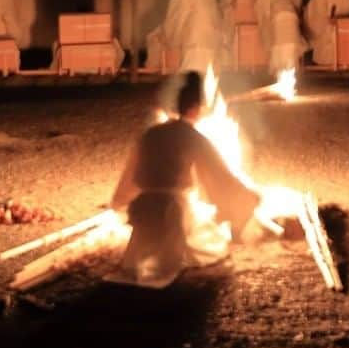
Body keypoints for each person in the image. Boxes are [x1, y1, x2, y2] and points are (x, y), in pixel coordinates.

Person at [110, 71, 261, 288]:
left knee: (145, 250)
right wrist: (245, 197)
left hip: (142, 209)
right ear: (196, 108)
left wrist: (122, 202)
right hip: (174, 211)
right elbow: (220, 177)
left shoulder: (151, 134)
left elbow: (130, 177)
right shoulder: (194, 137)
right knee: (212, 247)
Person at [162, 0, 223, 75]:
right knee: (207, 78)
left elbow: (178, 18)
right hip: (210, 44)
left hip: (194, 44)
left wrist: (172, 39)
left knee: (192, 77)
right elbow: (218, 20)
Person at [304, 0, 349, 66]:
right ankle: (323, 63)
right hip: (324, 25)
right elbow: (315, 9)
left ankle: (338, 62)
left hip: (338, 24)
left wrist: (339, 17)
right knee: (325, 44)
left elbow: (348, 6)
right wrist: (326, 18)